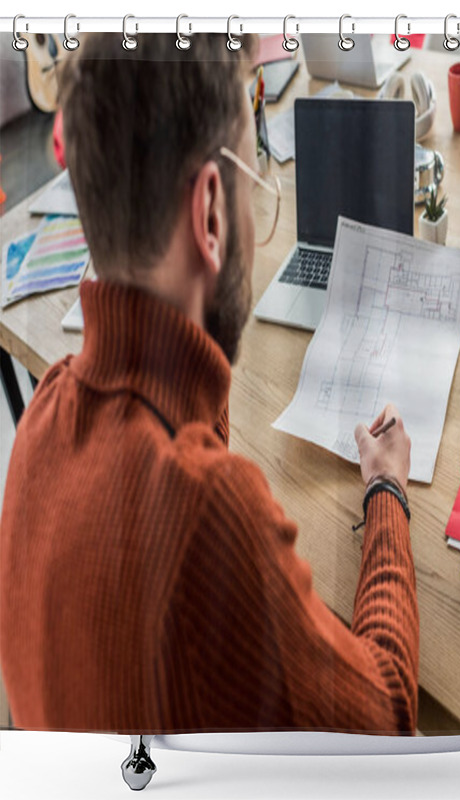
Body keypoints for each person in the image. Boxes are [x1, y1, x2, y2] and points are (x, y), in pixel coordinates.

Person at [0, 33, 418, 735]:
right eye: (256, 191)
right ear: (212, 215)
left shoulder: (43, 418)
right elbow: (393, 717)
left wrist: (199, 342)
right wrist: (386, 492)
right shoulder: (209, 512)